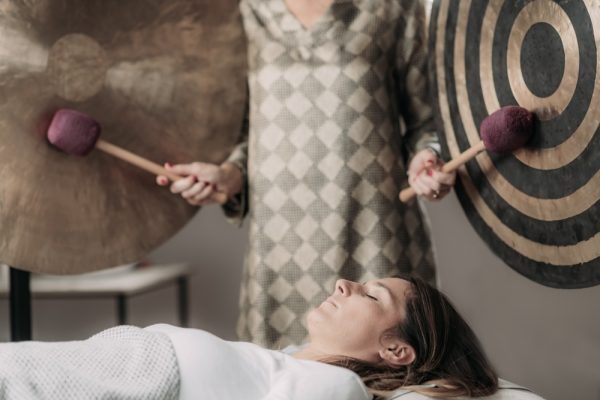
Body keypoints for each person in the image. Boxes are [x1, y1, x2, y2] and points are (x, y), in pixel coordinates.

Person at [157, 0, 456, 348]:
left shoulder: (395, 6)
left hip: (375, 233)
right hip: (279, 246)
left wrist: (428, 158)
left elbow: (427, 122)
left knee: (386, 372)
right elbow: (245, 131)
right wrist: (228, 174)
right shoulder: (244, 11)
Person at [0, 275, 498, 399]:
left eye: (371, 295)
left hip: (142, 379)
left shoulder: (338, 388)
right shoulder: (288, 361)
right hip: (122, 365)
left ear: (395, 350)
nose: (344, 284)